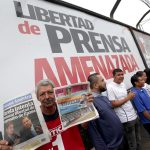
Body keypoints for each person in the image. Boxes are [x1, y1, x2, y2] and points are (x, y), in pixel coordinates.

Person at [35, 79, 93, 150]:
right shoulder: (34, 121)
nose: (47, 97)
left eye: (50, 92)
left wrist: (87, 107)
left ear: (55, 93)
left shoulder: (67, 107)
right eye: (42, 94)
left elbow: (84, 125)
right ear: (38, 97)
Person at [107, 68, 141, 150]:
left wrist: (130, 97)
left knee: (139, 140)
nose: (121, 76)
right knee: (132, 144)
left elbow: (126, 99)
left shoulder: (122, 84)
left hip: (134, 115)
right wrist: (128, 98)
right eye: (118, 75)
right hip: (126, 119)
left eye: (122, 74)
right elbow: (113, 104)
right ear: (113, 76)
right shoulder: (110, 87)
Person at [87, 73, 123, 150]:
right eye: (102, 80)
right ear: (96, 85)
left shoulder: (104, 97)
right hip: (111, 146)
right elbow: (93, 130)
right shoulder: (91, 103)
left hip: (120, 142)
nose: (105, 82)